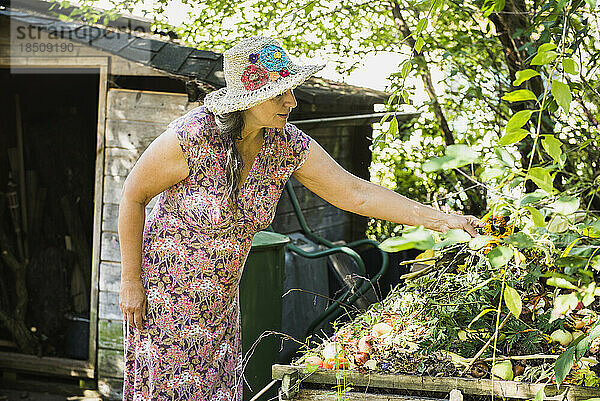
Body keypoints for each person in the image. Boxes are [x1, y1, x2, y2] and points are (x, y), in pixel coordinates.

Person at [118, 35, 480, 401]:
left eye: (291, 90)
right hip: (163, 299)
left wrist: (441, 219)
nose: (291, 101)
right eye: (279, 93)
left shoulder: (286, 144)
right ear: (249, 98)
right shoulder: (192, 137)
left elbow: (355, 192)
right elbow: (133, 196)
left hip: (221, 307)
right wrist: (130, 281)